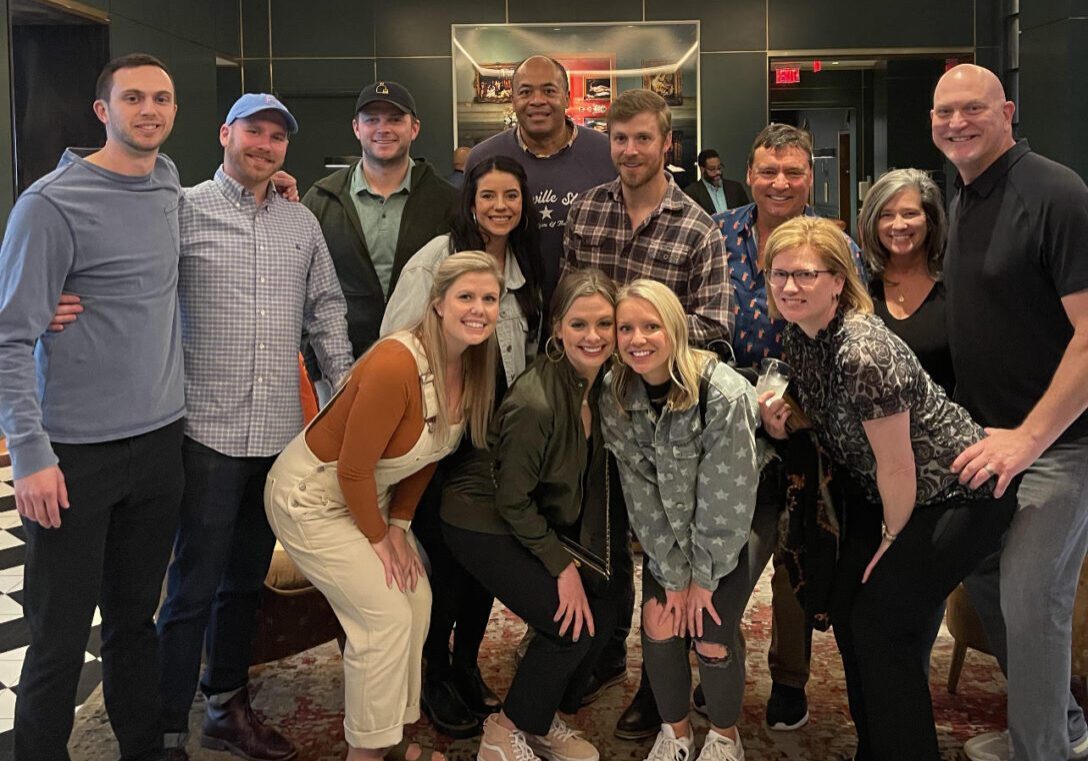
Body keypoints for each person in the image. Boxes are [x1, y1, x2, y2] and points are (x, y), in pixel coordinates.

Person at [759, 215, 1017, 761]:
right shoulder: (800, 335)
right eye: (779, 274)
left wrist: (888, 542)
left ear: (837, 280)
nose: (789, 286)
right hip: (886, 490)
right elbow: (831, 424)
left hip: (958, 493)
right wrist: (784, 420)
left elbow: (898, 467)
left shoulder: (863, 351)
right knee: (850, 613)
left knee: (881, 621)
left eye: (805, 274)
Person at [0, 53, 186, 761]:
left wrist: (275, 184)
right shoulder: (50, 204)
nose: (150, 110)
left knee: (135, 621)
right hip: (73, 455)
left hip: (160, 445)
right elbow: (10, 336)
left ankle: (142, 747)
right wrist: (30, 455)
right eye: (133, 98)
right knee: (57, 635)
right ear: (103, 111)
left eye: (161, 98)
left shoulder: (168, 181)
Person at [264, 251, 502, 761]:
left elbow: (429, 454)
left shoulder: (472, 364)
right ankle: (366, 754)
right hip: (311, 498)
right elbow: (351, 469)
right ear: (437, 303)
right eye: (466, 296)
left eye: (489, 298)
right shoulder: (396, 363)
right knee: (385, 615)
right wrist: (379, 538)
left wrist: (398, 526)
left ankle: (389, 737)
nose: (479, 308)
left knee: (417, 598)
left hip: (368, 497)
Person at [928, 64, 1088, 761]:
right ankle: (1062, 723)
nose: (956, 122)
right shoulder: (964, 193)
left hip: (1060, 444)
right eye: (944, 112)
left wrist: (1029, 437)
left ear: (1008, 112)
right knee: (984, 574)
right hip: (988, 442)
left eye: (973, 108)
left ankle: (1042, 748)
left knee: (1031, 601)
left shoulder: (1055, 193)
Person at [563, 87, 733, 738]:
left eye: (642, 138)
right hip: (595, 406)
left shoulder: (697, 226)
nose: (630, 150)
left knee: (666, 548)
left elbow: (716, 326)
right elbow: (569, 303)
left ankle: (656, 682)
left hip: (667, 419)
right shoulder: (587, 211)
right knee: (600, 538)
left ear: (667, 143)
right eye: (619, 138)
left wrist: (641, 338)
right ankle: (607, 654)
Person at [379, 155, 544, 736]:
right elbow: (396, 341)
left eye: (511, 196)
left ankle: (467, 666)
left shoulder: (525, 265)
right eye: (488, 195)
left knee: (484, 562)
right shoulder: (437, 259)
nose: (500, 206)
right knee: (446, 564)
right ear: (469, 201)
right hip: (441, 439)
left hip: (498, 443)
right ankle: (434, 673)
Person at [712, 122, 867, 732]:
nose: (780, 182)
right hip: (729, 417)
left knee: (796, 555)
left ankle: (789, 679)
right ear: (749, 174)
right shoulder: (717, 233)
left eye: (793, 171)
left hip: (809, 426)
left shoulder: (836, 244)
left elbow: (851, 329)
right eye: (769, 170)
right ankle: (719, 664)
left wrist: (799, 407)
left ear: (811, 177)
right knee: (727, 550)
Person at [441, 269, 628, 761]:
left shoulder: (601, 384)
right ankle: (502, 734)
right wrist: (561, 567)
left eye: (604, 324)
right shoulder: (536, 402)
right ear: (557, 329)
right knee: (570, 626)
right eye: (579, 324)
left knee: (605, 606)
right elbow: (512, 501)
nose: (593, 336)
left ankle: (538, 718)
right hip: (480, 517)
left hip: (524, 514)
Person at [600, 280, 764, 761]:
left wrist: (704, 578)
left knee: (710, 633)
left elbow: (727, 498)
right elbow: (641, 493)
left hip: (741, 519)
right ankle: (676, 734)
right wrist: (674, 576)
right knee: (661, 620)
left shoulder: (724, 394)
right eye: (626, 328)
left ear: (674, 328)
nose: (637, 339)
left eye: (651, 326)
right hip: (670, 523)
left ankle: (725, 738)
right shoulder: (616, 392)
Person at [302, 80, 459, 374]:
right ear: (356, 128)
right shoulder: (321, 200)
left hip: (426, 367)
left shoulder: (448, 202)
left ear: (414, 128)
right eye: (372, 119)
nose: (383, 129)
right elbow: (300, 288)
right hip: (340, 371)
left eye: (395, 119)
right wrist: (311, 360)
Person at [466, 56, 615, 304]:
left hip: (591, 311)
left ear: (567, 97)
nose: (537, 100)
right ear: (513, 99)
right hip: (507, 310)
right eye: (525, 92)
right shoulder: (483, 158)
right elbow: (466, 235)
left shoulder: (607, 153)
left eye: (549, 90)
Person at [857, 168, 952, 395]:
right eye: (886, 215)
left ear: (929, 220)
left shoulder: (954, 280)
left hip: (943, 415)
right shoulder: (859, 279)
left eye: (910, 213)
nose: (898, 225)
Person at [683, 149, 748, 215]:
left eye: (719, 168)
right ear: (702, 169)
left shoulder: (736, 188)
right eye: (712, 169)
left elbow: (747, 214)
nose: (718, 172)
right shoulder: (692, 193)